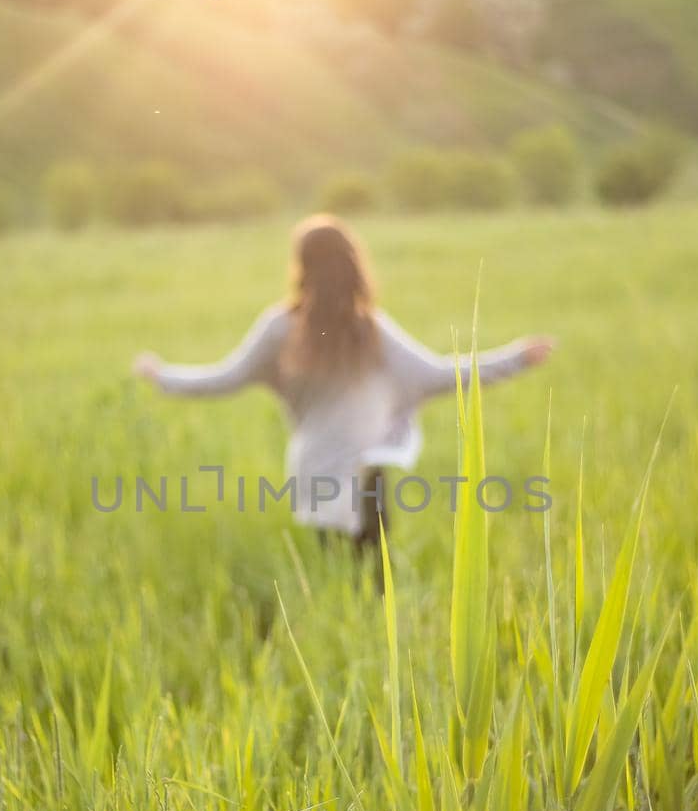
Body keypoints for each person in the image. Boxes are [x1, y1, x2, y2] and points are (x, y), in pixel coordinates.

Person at [133, 214, 554, 559]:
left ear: (301, 267)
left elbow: (223, 378)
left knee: (334, 574)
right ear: (353, 264)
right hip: (366, 472)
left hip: (314, 469)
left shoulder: (280, 328)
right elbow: (441, 375)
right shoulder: (369, 330)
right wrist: (517, 357)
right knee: (374, 581)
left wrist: (161, 374)